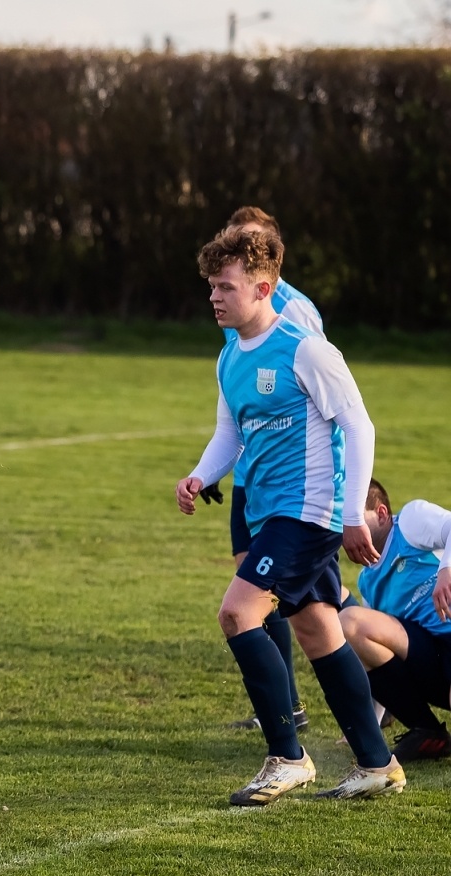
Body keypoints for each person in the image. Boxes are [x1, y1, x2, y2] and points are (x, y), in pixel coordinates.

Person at [175, 225, 402, 806]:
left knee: (237, 613)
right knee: (318, 630)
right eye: (211, 286)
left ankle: (287, 757)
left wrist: (353, 514)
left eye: (225, 286)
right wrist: (203, 474)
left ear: (263, 287)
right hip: (270, 510)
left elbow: (359, 425)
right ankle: (377, 762)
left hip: (309, 512)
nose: (214, 297)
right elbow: (230, 432)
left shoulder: (305, 349)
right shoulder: (230, 356)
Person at [198, 207, 324, 734]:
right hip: (253, 478)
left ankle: (305, 734)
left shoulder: (297, 316)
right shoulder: (232, 328)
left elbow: (332, 408)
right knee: (266, 595)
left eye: (248, 245)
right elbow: (236, 405)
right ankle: (287, 706)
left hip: (300, 491)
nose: (239, 252)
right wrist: (211, 469)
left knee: (313, 609)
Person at [339, 479, 451, 762]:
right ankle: (426, 732)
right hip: (430, 656)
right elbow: (375, 662)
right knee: (350, 622)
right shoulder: (368, 582)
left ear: (381, 514)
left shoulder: (410, 521)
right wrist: (369, 725)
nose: (345, 531)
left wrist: (446, 571)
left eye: (353, 519)